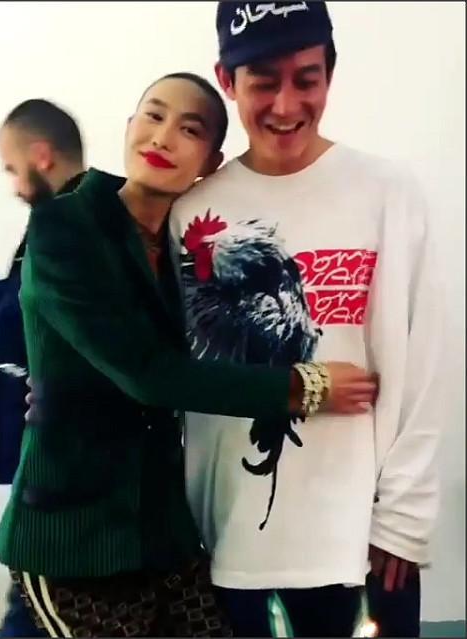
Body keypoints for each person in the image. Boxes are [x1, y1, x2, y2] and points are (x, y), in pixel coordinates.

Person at [0, 72, 376, 638]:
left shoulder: (186, 248)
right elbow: (149, 374)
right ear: (129, 126)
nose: (164, 136)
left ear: (210, 161)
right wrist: (304, 386)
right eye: (153, 116)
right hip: (74, 534)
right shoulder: (65, 227)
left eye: (189, 129)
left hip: (165, 529)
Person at [169, 2, 442, 637]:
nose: (286, 105)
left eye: (307, 79)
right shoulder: (191, 210)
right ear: (227, 80)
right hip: (230, 542)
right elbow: (170, 371)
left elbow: (428, 365)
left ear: (330, 75)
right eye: (264, 82)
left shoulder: (387, 192)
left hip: (360, 543)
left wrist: (405, 519)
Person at [0, 99, 86, 637]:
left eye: (11, 167)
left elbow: (13, 326)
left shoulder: (65, 224)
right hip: (51, 456)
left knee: (32, 607)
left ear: (41, 155)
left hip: (58, 466)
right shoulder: (73, 217)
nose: (13, 185)